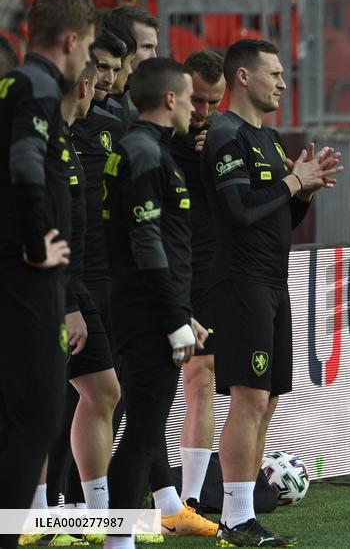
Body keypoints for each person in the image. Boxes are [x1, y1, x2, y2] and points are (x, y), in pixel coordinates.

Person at [203, 39, 341, 547]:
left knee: (269, 399)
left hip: (272, 281)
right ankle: (235, 518)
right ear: (242, 77)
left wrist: (301, 190)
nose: (283, 83)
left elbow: (279, 215)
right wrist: (290, 182)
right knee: (249, 396)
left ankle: (244, 512)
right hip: (239, 281)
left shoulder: (272, 138)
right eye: (275, 74)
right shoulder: (223, 133)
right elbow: (240, 210)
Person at [102, 57, 213, 549]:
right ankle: (118, 541)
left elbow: (147, 245)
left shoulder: (145, 149)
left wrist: (180, 311)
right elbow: (146, 245)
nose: (196, 108)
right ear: (170, 99)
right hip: (146, 316)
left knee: (143, 432)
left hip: (146, 308)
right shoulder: (144, 153)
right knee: (142, 434)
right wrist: (174, 321)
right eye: (190, 97)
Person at [0, 0, 93, 547]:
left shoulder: (11, 83)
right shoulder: (37, 85)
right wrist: (36, 244)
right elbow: (24, 162)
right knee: (36, 416)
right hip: (26, 277)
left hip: (15, 275)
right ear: (69, 41)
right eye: (86, 47)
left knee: (17, 416)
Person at [44, 28, 129, 519]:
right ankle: (36, 512)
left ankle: (92, 510)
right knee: (40, 404)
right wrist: (69, 300)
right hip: (52, 292)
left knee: (104, 390)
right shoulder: (41, 140)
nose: (107, 82)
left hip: (86, 286)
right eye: (99, 72)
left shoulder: (101, 130)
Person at [166, 49, 226, 516]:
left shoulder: (227, 142)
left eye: (213, 103)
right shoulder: (152, 140)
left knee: (201, 378)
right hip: (156, 275)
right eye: (197, 101)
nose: (203, 113)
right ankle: (88, 499)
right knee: (125, 390)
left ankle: (189, 499)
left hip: (206, 274)